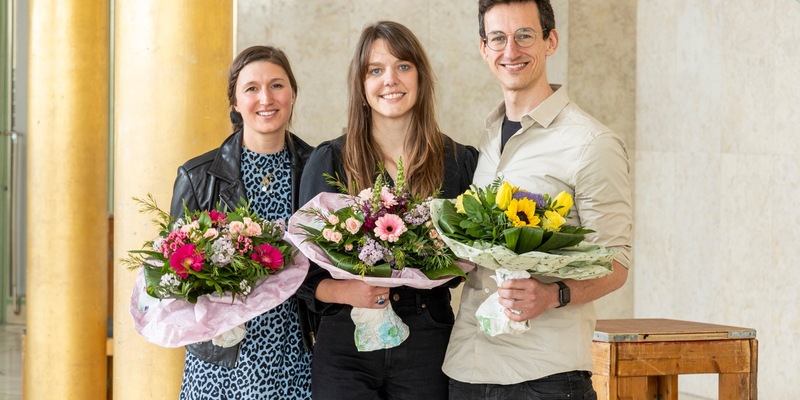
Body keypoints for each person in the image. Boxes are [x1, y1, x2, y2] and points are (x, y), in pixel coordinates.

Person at [442, 1, 633, 399]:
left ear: (551, 40)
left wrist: (553, 294)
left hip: (544, 377)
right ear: (484, 48)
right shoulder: (487, 139)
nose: (510, 51)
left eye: (524, 35)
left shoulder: (591, 143)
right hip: (468, 367)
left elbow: (616, 263)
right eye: (498, 38)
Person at [297, 20, 478, 400]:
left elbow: (472, 256)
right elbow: (302, 274)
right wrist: (349, 292)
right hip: (346, 344)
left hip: (429, 337)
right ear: (361, 87)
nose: (390, 79)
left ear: (420, 78)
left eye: (403, 66)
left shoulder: (458, 161)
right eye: (376, 70)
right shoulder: (330, 160)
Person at [169, 45, 314, 399]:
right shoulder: (198, 176)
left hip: (296, 354)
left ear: (292, 93)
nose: (266, 98)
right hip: (222, 360)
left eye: (277, 85)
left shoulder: (317, 168)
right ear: (235, 102)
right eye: (251, 88)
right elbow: (173, 276)